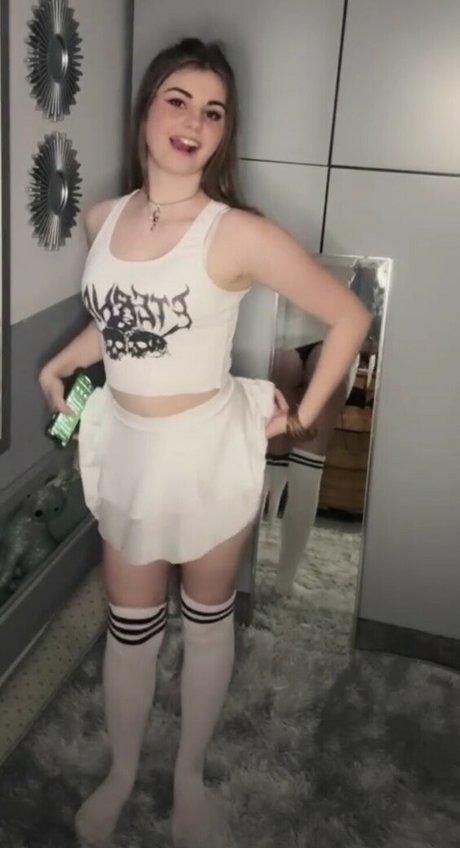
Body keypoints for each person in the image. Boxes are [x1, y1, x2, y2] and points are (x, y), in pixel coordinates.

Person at [38, 37, 371, 848]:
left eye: (214, 113)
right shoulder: (103, 218)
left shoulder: (237, 233)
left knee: (207, 616)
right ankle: (122, 773)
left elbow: (349, 317)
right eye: (179, 101)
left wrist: (299, 418)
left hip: (208, 449)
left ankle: (188, 779)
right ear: (147, 109)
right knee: (131, 626)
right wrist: (61, 363)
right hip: (128, 446)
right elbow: (121, 318)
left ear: (225, 133)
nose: (194, 123)